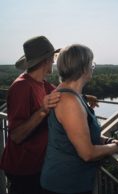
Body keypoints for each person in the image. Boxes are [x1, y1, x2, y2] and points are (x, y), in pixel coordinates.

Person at [40, 44, 118, 194]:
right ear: (82, 68)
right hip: (64, 186)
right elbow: (87, 153)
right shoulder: (69, 102)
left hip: (66, 184)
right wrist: (116, 147)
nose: (93, 67)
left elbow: (80, 136)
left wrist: (108, 141)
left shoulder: (73, 96)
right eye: (91, 63)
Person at [0, 36, 62, 194]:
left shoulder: (43, 84)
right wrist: (42, 111)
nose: (54, 62)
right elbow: (16, 135)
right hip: (23, 169)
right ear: (46, 60)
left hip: (38, 166)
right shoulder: (21, 87)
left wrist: (83, 97)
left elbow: (63, 94)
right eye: (53, 58)